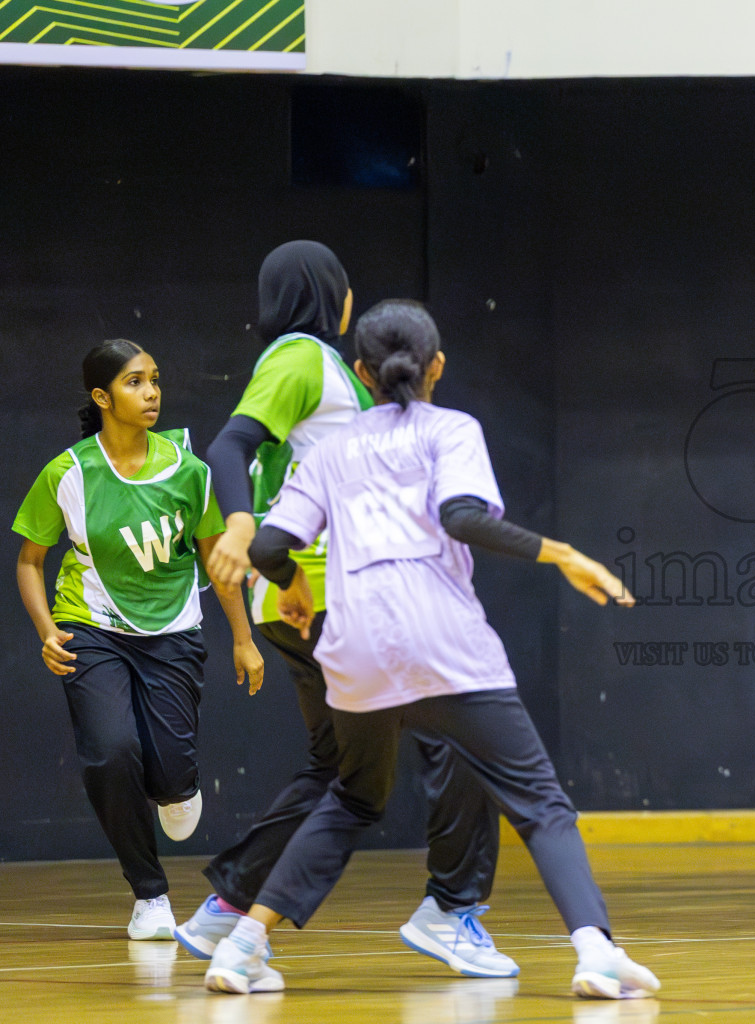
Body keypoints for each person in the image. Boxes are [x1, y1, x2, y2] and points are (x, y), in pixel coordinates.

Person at [202, 299, 660, 1001]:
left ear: (362, 372)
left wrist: (290, 581)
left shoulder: (331, 448)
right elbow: (461, 516)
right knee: (540, 804)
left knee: (353, 797)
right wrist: (561, 553)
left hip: (351, 650)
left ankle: (241, 947)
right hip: (443, 642)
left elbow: (267, 544)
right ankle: (595, 954)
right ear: (438, 365)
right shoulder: (452, 429)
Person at [174, 242, 510, 978]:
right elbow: (230, 446)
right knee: (469, 736)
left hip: (295, 603)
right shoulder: (301, 358)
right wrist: (238, 523)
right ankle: (452, 909)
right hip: (328, 596)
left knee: (343, 770)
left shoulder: (339, 380)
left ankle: (229, 909)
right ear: (331, 296)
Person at [13, 340, 264, 940]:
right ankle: (149, 895)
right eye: (134, 382)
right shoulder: (68, 473)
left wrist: (243, 638)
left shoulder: (189, 473)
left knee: (171, 777)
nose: (150, 392)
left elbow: (214, 560)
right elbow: (29, 561)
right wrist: (48, 630)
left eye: (154, 380)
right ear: (102, 398)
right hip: (89, 627)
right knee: (110, 749)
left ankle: (176, 787)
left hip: (172, 633)